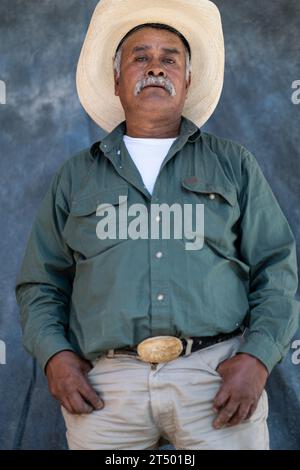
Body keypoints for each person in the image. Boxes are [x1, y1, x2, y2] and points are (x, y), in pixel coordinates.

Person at [15, 0, 299, 450]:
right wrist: (56, 357)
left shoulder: (234, 165)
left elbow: (276, 270)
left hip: (217, 378)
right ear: (116, 78)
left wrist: (258, 358)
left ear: (187, 79)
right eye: (140, 56)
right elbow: (40, 283)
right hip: (106, 388)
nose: (155, 67)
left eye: (170, 58)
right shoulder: (76, 176)